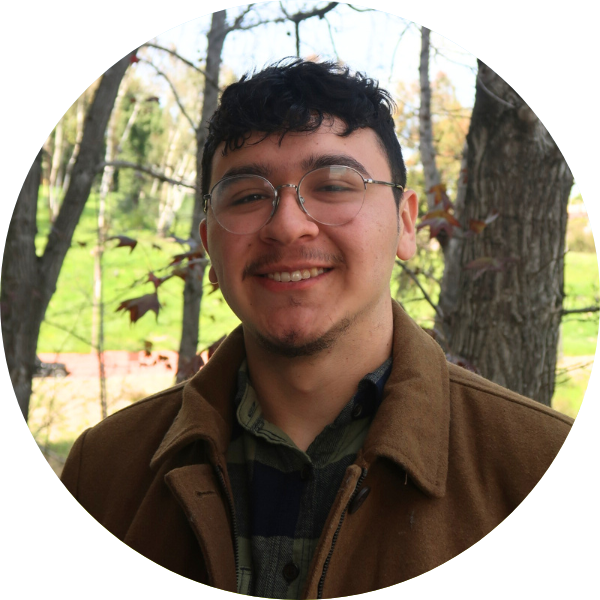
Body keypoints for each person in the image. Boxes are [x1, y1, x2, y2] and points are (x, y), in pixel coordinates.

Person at [61, 59, 572, 599]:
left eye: (332, 186)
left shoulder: (547, 472)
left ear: (405, 223)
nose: (286, 224)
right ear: (210, 246)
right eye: (249, 195)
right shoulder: (102, 474)